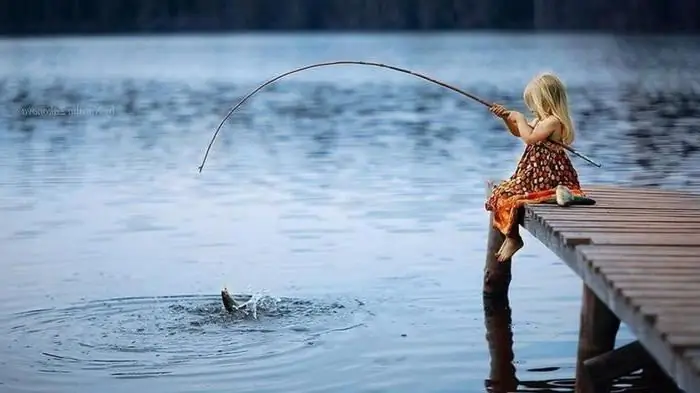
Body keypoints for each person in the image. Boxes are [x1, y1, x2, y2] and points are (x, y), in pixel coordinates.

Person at [485, 72, 587, 262]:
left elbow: (530, 139)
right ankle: (511, 236)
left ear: (546, 100)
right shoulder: (541, 120)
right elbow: (519, 133)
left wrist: (520, 118)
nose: (531, 108)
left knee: (511, 196)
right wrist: (507, 118)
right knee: (500, 193)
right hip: (533, 173)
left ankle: (513, 238)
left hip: (547, 175)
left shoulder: (553, 122)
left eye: (534, 103)